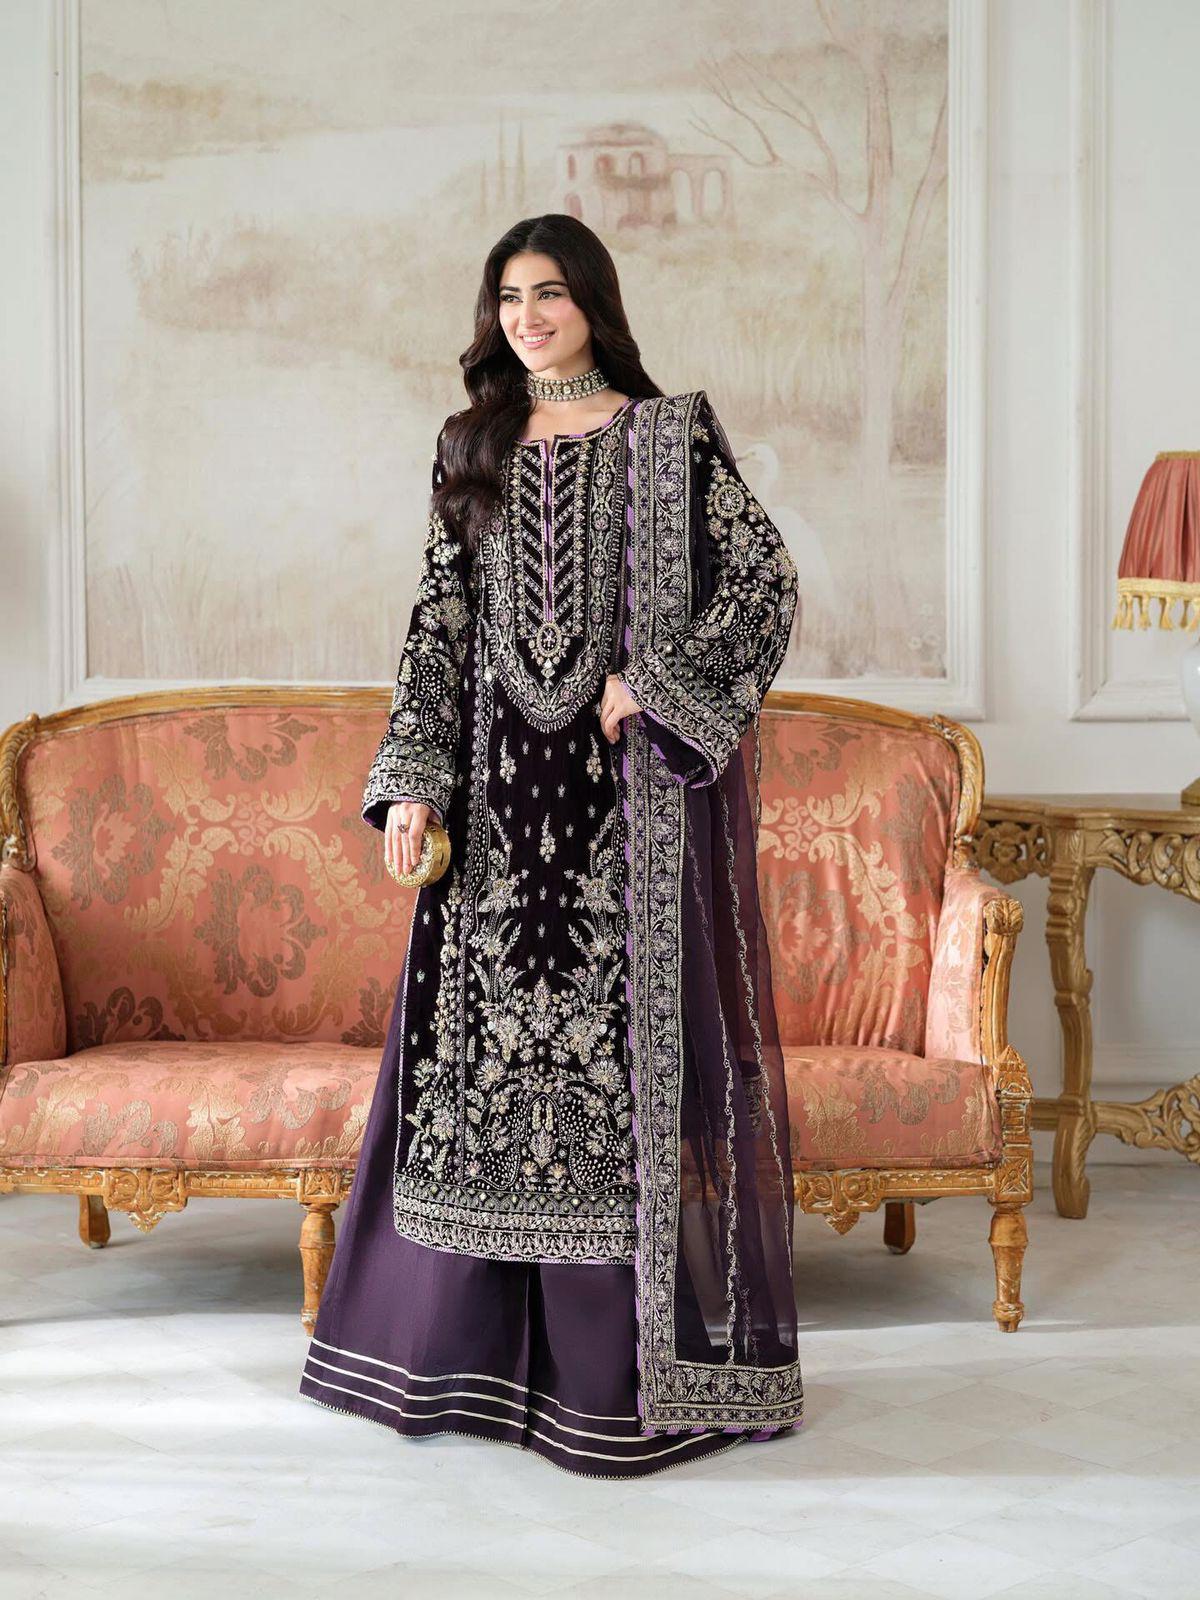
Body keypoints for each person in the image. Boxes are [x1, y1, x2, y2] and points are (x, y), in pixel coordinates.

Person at [299, 213, 804, 1479]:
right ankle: (457, 1364)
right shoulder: (470, 444)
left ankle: (605, 1379)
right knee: (472, 1081)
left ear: (594, 305)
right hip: (487, 819)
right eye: (510, 298)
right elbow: (437, 620)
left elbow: (764, 582)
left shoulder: (668, 436)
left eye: (551, 295)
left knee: (604, 1086)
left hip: (613, 822)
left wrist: (656, 684)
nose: (528, 318)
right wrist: (411, 786)